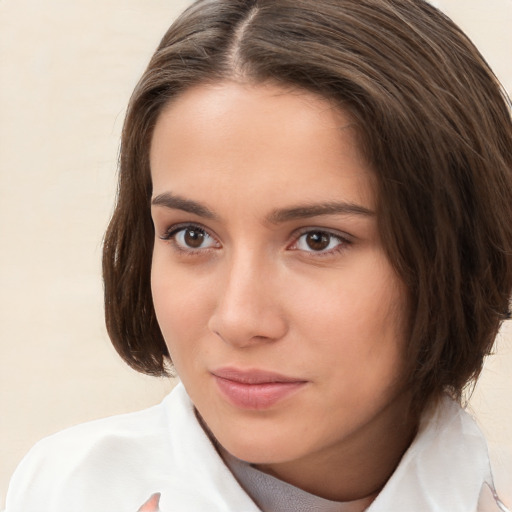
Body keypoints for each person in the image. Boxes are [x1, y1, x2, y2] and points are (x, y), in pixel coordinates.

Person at [5, 0, 512, 510]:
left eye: (318, 240)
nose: (238, 319)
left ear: (461, 252)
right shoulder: (62, 490)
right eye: (192, 236)